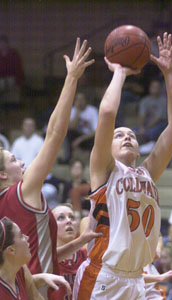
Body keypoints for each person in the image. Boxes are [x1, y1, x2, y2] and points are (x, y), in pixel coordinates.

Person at [73, 32, 172, 300]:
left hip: (137, 277)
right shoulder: (104, 170)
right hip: (103, 276)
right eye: (119, 135)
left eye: (132, 135)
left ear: (138, 148)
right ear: (106, 146)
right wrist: (120, 71)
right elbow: (108, 113)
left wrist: (170, 74)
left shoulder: (147, 171)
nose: (127, 137)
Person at [0, 38, 94, 299]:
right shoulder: (22, 191)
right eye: (15, 160)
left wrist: (76, 243)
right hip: (37, 292)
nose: (22, 162)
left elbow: (43, 254)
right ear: (3, 175)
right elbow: (54, 133)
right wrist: (71, 79)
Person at [0, 216, 71, 300]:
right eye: (20, 235)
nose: (27, 237)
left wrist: (42, 277)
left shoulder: (21, 269)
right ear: (11, 250)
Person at [51, 203, 96, 300]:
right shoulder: (45, 257)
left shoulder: (86, 255)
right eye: (61, 218)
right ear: (49, 226)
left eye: (72, 217)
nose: (69, 221)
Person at [0, 35, 24, 108]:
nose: (2, 45)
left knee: (2, 83)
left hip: (11, 78)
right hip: (1, 78)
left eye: (3, 43)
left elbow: (18, 69)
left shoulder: (14, 54)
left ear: (7, 44)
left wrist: (18, 82)